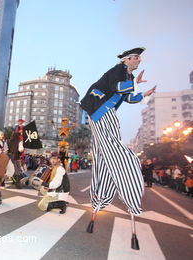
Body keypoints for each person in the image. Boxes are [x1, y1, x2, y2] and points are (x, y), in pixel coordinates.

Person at [80, 47, 156, 248]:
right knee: (118, 153)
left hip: (104, 113)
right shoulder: (118, 71)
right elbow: (117, 87)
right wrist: (133, 83)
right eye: (136, 57)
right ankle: (128, 176)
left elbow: (128, 97)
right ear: (127, 59)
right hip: (101, 112)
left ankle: (100, 195)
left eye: (140, 58)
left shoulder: (126, 77)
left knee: (104, 157)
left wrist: (143, 93)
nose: (139, 60)